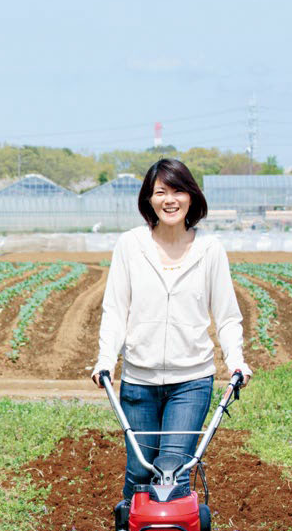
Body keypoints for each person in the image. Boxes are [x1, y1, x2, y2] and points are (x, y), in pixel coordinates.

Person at [92, 158, 252, 506]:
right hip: (139, 380)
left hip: (191, 381)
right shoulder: (131, 246)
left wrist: (236, 361)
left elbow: (226, 316)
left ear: (191, 197)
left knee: (174, 472)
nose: (170, 200)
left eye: (178, 190)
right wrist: (106, 359)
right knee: (139, 473)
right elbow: (116, 311)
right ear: (148, 200)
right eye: (160, 191)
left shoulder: (209, 250)